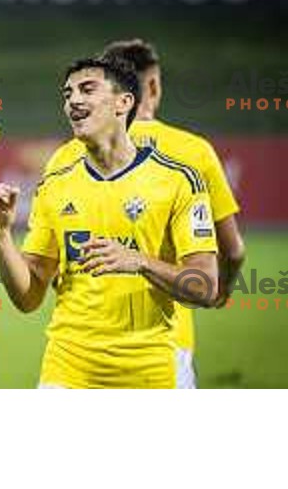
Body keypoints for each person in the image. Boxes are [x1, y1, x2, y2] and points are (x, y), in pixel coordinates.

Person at [0, 55, 218, 388]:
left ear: (124, 102)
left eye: (87, 89)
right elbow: (29, 297)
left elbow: (206, 287)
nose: (73, 101)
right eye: (67, 94)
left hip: (151, 374)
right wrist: (2, 237)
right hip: (67, 372)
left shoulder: (178, 181)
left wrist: (139, 261)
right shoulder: (55, 184)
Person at [44, 39, 245, 387]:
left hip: (76, 351)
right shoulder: (193, 152)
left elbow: (50, 262)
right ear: (152, 85)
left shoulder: (67, 156)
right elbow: (233, 250)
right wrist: (220, 292)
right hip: (164, 344)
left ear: (122, 94)